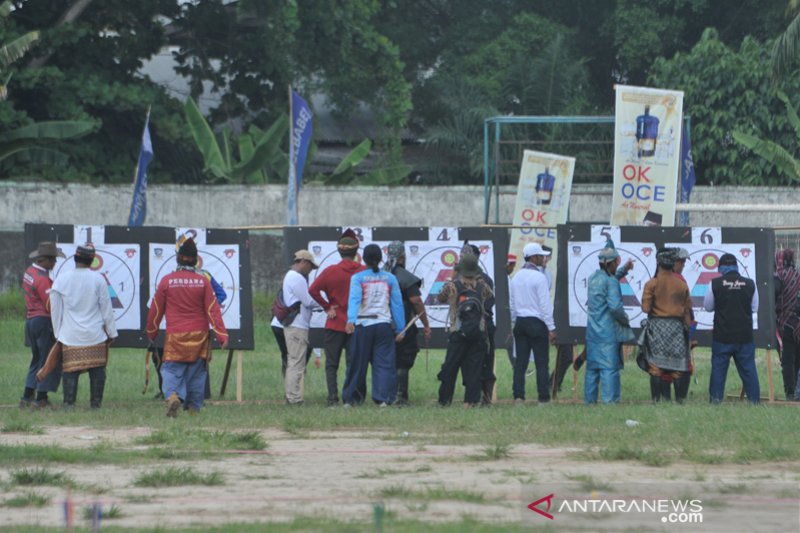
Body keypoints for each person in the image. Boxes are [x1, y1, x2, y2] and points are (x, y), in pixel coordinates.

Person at [146, 238, 228, 416]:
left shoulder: (167, 281)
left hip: (176, 335)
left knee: (170, 369)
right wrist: (222, 335)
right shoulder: (203, 282)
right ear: (196, 259)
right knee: (197, 372)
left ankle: (173, 395)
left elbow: (156, 310)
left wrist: (151, 332)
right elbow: (213, 310)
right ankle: (193, 409)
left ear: (178, 258)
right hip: (200, 336)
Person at [50, 245, 118, 409]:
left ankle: (68, 404)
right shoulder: (99, 279)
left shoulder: (62, 279)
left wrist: (58, 333)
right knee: (97, 370)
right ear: (92, 261)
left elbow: (55, 309)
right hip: (95, 335)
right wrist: (111, 332)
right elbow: (106, 309)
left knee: (70, 371)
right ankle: (95, 405)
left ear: (75, 259)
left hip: (70, 335)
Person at [342, 244, 405, 406]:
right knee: (384, 364)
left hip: (363, 325)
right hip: (383, 326)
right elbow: (397, 305)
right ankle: (383, 399)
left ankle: (351, 400)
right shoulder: (390, 278)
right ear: (380, 258)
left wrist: (350, 320)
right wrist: (400, 328)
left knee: (357, 363)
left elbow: (355, 299)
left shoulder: (357, 278)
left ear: (364, 259)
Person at [309, 229, 366, 406]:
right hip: (356, 324)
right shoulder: (364, 271)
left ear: (339, 251)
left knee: (332, 364)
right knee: (353, 363)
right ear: (356, 251)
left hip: (334, 324)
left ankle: (332, 398)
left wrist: (327, 307)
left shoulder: (330, 271)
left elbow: (312, 290)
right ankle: (351, 398)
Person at [436, 253, 493, 406]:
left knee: (450, 367)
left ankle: (444, 400)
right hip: (478, 332)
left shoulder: (452, 286)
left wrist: (452, 277)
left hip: (458, 333)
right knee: (474, 369)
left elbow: (440, 298)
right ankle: (471, 401)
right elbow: (488, 297)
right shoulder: (482, 287)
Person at [704, 253, 760, 404]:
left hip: (722, 336)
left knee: (718, 370)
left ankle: (715, 401)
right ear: (737, 266)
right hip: (744, 336)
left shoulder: (714, 283)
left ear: (721, 267)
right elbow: (754, 308)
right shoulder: (750, 283)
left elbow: (708, 307)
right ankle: (754, 402)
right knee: (749, 370)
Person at [584, 241, 634, 404]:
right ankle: (609, 403)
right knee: (609, 369)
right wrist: (625, 319)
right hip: (608, 333)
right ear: (612, 263)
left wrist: (624, 270)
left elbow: (610, 278)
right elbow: (615, 307)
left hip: (593, 332)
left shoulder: (593, 279)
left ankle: (589, 402)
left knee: (592, 370)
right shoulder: (611, 281)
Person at [641, 248, 692, 403]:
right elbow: (687, 311)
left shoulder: (652, 284)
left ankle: (657, 400)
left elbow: (645, 308)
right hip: (676, 328)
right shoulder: (681, 284)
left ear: (658, 263)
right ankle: (679, 401)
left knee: (656, 367)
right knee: (677, 368)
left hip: (657, 328)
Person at [383, 241, 432, 405]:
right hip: (402, 326)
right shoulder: (405, 277)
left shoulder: (380, 274)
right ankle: (400, 397)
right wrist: (426, 324)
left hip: (381, 325)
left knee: (386, 361)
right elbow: (416, 302)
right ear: (403, 257)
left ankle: (386, 396)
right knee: (403, 361)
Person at [509, 242, 556, 405]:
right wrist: (551, 328)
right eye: (541, 256)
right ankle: (543, 398)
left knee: (520, 363)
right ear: (534, 257)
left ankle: (518, 397)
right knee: (542, 362)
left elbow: (513, 304)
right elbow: (544, 305)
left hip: (520, 322)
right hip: (537, 323)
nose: (543, 258)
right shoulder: (540, 277)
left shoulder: (516, 277)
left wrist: (514, 322)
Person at [20, 241, 65, 408]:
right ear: (43, 260)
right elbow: (50, 305)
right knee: (48, 360)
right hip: (43, 321)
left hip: (31, 320)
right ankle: (41, 399)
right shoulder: (43, 279)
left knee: (37, 359)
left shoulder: (29, 272)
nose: (54, 263)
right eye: (53, 260)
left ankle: (27, 396)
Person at [279, 249, 319, 406]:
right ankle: (294, 398)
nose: (310, 270)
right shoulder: (297, 278)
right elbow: (308, 301)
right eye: (310, 266)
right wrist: (326, 305)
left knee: (294, 361)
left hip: (294, 324)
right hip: (298, 325)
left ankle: (292, 396)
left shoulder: (291, 276)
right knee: (296, 363)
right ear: (303, 262)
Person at [461, 243, 497, 405]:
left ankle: (486, 398)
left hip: (483, 327)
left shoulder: (485, 280)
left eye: (466, 254)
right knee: (466, 363)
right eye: (462, 254)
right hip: (464, 328)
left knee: (486, 361)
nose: (462, 257)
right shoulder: (458, 278)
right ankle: (471, 397)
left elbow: (488, 304)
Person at [774, 249, 800, 400]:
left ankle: (790, 393)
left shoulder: (779, 277)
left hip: (786, 324)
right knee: (798, 359)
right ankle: (797, 390)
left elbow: (774, 298)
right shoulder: (798, 274)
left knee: (788, 360)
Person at [672, 247, 696, 403]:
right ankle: (680, 399)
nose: (683, 265)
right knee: (683, 366)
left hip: (666, 328)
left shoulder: (660, 277)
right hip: (679, 328)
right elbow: (686, 307)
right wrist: (689, 330)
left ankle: (666, 399)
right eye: (681, 262)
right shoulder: (679, 280)